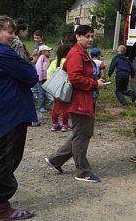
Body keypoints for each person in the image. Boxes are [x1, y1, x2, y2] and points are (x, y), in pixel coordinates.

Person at [45, 25, 108, 183]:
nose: (90, 39)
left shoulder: (80, 52)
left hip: (82, 99)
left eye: (92, 36)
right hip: (78, 100)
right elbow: (75, 78)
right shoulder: (75, 54)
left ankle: (55, 160)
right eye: (87, 36)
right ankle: (82, 171)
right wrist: (95, 84)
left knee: (81, 133)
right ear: (78, 36)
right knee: (82, 134)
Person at [0, 16, 38, 220]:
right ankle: (2, 209)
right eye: (9, 32)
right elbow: (32, 76)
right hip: (9, 115)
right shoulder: (4, 53)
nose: (13, 36)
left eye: (14, 32)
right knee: (6, 160)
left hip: (4, 112)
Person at [48, 44, 72, 132]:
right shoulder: (67, 61)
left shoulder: (54, 62)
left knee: (55, 106)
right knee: (65, 107)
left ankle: (54, 124)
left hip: (55, 87)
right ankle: (65, 125)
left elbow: (49, 73)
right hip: (64, 87)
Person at [35, 44, 52, 113]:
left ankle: (44, 106)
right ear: (43, 52)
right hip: (41, 78)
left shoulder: (46, 58)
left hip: (45, 78)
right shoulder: (42, 57)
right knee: (41, 93)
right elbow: (38, 67)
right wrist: (40, 77)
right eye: (48, 51)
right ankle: (40, 107)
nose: (49, 52)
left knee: (45, 92)